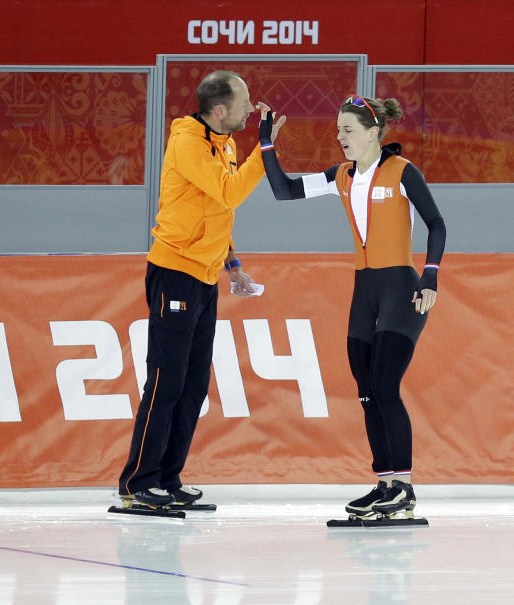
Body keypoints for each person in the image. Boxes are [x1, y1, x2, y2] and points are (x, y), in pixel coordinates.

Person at [258, 95, 446, 519]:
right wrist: (266, 142)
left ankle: (404, 487)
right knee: (365, 391)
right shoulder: (340, 176)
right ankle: (384, 484)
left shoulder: (401, 171)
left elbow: (436, 222)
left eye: (348, 130)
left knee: (384, 385)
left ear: (373, 133)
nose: (339, 136)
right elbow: (284, 190)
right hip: (364, 291)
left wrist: (430, 275)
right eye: (338, 129)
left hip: (402, 288)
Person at [117, 70, 285, 508]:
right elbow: (229, 194)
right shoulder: (189, 142)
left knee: (193, 384)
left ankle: (168, 479)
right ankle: (138, 483)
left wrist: (232, 264)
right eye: (245, 103)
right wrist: (264, 149)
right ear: (219, 109)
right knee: (165, 378)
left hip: (206, 275)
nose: (252, 108)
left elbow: (213, 211)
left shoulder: (224, 143)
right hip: (175, 271)